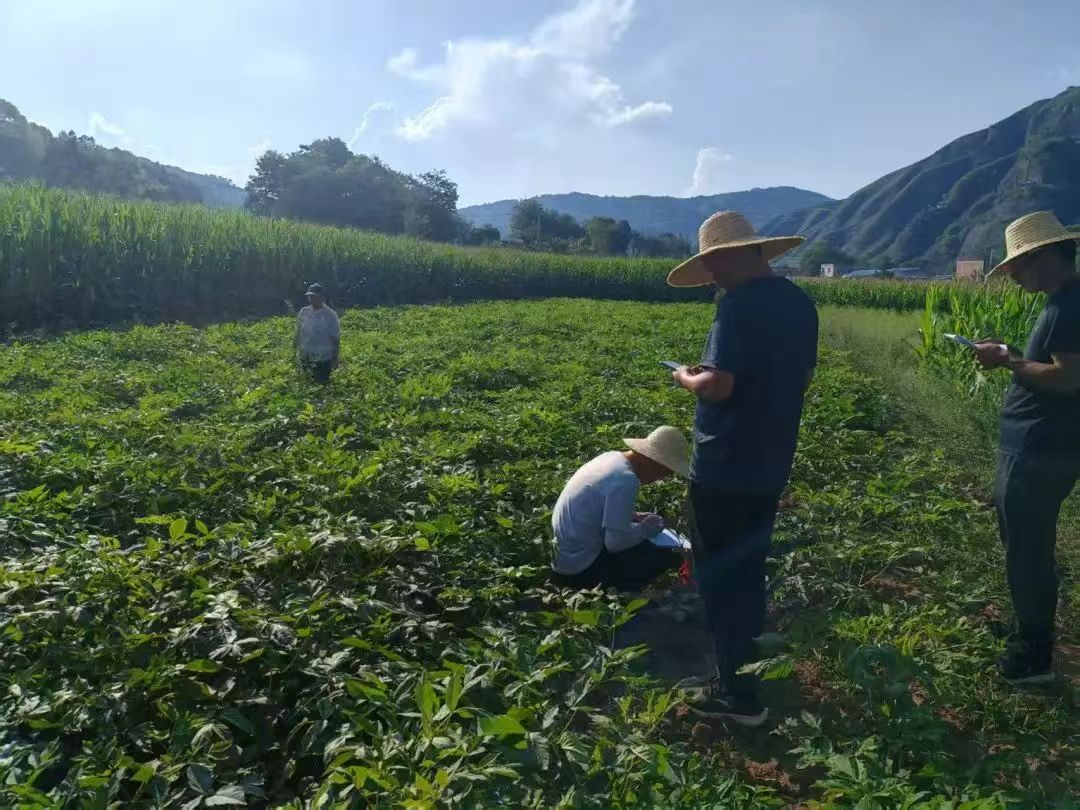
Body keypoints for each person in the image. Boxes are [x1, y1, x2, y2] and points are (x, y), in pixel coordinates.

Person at [667, 210, 818, 727]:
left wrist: (686, 378)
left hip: (724, 464)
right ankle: (748, 669)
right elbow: (802, 378)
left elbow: (718, 385)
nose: (711, 274)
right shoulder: (799, 303)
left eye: (714, 262)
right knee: (748, 574)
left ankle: (737, 694)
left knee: (720, 578)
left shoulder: (737, 305)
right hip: (769, 460)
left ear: (741, 254)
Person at [974, 211, 1080, 684]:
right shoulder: (1064, 301)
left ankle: (1033, 655)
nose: (1013, 275)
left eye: (1017, 264)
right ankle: (1027, 626)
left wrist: (1007, 361)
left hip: (1039, 449)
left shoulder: (1069, 305)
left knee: (1028, 550)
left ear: (1046, 257)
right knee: (1025, 544)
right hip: (1043, 445)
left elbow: (1067, 378)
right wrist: (1015, 357)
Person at [551, 426, 690, 591]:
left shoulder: (611, 458)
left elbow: (598, 507)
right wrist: (646, 528)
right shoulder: (625, 480)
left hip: (563, 558)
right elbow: (615, 544)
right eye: (662, 472)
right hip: (580, 570)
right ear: (652, 461)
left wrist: (634, 516)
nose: (659, 479)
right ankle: (619, 589)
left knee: (641, 539)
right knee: (665, 557)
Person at [295, 282, 340, 383]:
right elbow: (298, 331)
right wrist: (294, 349)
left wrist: (335, 359)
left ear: (322, 298)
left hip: (323, 359)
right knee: (307, 384)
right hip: (305, 357)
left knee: (320, 385)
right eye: (309, 296)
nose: (311, 299)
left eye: (314, 296)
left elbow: (335, 339)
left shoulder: (330, 315)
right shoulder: (304, 312)